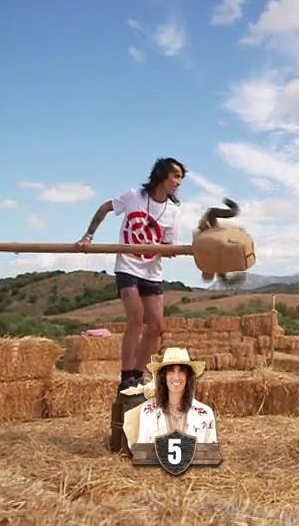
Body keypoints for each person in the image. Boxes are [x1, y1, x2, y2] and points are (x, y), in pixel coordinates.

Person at [78, 157, 185, 394]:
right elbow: (106, 208)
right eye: (175, 176)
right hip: (127, 267)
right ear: (161, 175)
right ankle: (126, 375)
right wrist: (88, 235)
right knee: (136, 318)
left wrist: (172, 251)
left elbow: (168, 247)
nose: (179, 182)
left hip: (151, 271)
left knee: (156, 325)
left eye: (181, 177)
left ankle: (138, 373)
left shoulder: (174, 212)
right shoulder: (134, 196)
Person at [135, 347, 217, 444]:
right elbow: (142, 455)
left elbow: (211, 456)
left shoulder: (206, 414)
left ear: (188, 377)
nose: (176, 377)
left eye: (182, 371)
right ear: (163, 376)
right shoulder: (148, 412)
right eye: (171, 370)